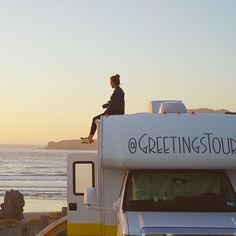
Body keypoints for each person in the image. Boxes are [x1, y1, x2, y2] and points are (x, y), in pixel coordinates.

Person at [81, 74, 125, 143]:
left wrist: (107, 113)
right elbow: (115, 102)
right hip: (117, 111)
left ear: (113, 82)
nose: (110, 84)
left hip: (116, 112)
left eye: (110, 82)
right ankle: (90, 137)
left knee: (95, 119)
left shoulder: (117, 91)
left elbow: (113, 104)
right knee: (97, 119)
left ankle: (90, 137)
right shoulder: (119, 90)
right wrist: (107, 105)